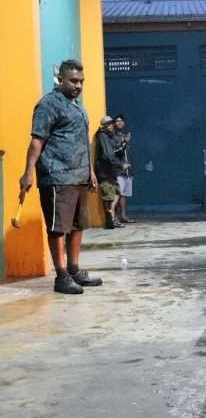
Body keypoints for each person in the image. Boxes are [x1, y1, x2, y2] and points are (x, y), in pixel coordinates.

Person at [19, 59, 103, 294]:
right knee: (58, 227)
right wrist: (28, 172)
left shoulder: (78, 107)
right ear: (60, 80)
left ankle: (74, 271)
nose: (78, 86)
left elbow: (82, 141)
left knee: (77, 226)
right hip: (57, 176)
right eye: (73, 81)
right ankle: (62, 276)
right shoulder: (48, 104)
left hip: (79, 176)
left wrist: (90, 171)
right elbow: (37, 141)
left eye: (81, 81)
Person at [94, 115, 123, 229]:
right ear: (105, 126)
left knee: (116, 192)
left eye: (111, 123)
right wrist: (120, 164)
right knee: (108, 195)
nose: (112, 125)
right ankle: (110, 216)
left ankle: (111, 214)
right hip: (105, 170)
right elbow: (108, 154)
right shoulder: (103, 135)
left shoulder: (109, 135)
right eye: (109, 124)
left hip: (110, 170)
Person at [112, 114, 135, 223]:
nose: (120, 122)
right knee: (117, 194)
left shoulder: (124, 135)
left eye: (121, 121)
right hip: (118, 170)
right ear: (114, 123)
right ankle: (114, 217)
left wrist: (131, 171)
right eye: (117, 121)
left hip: (127, 171)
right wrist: (125, 142)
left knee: (124, 195)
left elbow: (129, 154)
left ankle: (123, 216)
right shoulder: (112, 136)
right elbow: (114, 152)